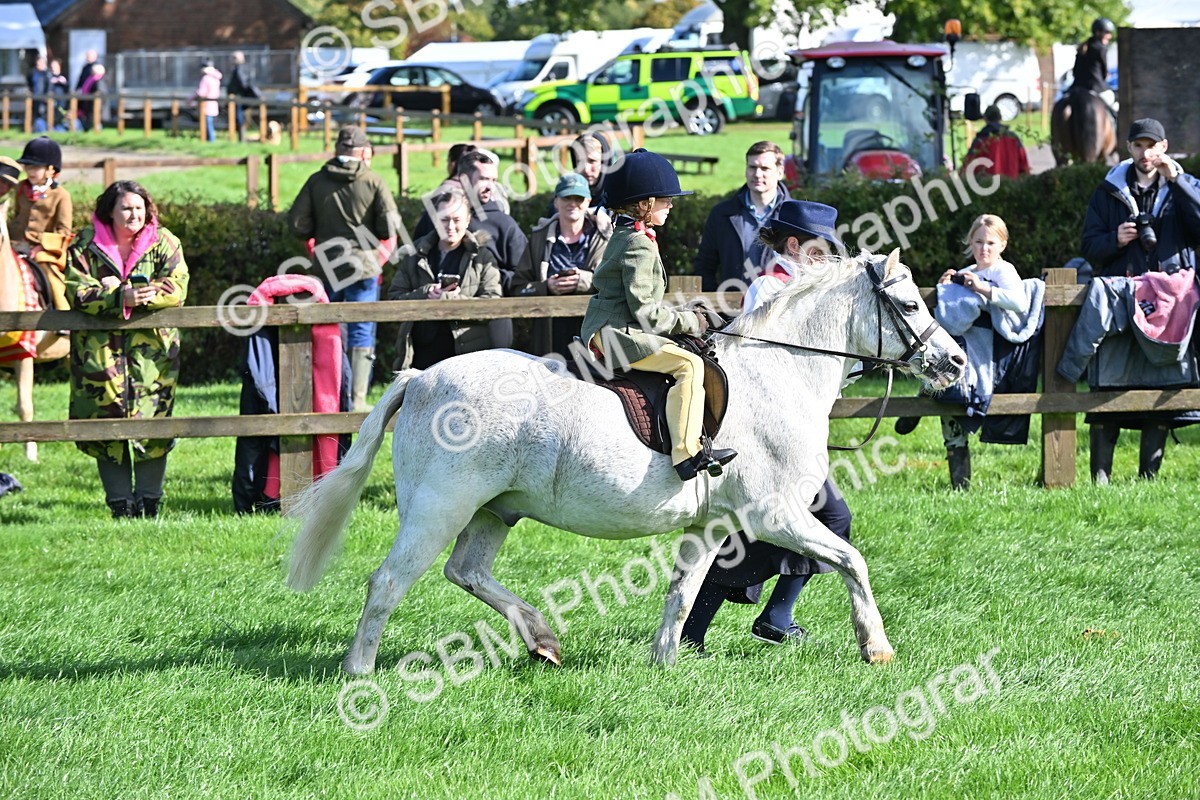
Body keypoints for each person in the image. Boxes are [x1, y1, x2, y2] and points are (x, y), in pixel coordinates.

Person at [682, 200, 851, 651]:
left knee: (759, 532)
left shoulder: (806, 294)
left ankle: (738, 623)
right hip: (762, 436)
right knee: (825, 517)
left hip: (787, 432)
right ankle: (765, 618)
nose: (827, 260)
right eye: (820, 250)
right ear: (794, 246)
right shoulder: (768, 290)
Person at [580, 149, 734, 481]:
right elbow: (647, 314)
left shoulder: (632, 236)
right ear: (644, 204)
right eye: (665, 200)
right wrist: (692, 321)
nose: (671, 205)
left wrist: (684, 313)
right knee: (689, 365)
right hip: (615, 334)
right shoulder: (638, 243)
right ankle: (687, 453)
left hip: (616, 326)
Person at [1079, 117, 1200, 481]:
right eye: (1138, 146)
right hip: (1120, 299)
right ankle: (1099, 480)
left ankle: (1148, 480)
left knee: (1160, 390)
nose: (1145, 153)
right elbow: (1088, 245)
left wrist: (1177, 180)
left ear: (1163, 147)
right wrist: (1114, 240)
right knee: (1107, 388)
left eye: (1152, 145)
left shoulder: (1184, 184)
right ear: (1127, 148)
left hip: (1168, 306)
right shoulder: (1108, 191)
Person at [63, 180, 189, 518]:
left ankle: (150, 504)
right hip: (98, 356)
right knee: (106, 427)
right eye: (125, 208)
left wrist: (140, 293)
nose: (134, 214)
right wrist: (119, 297)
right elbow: (75, 290)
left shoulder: (165, 242)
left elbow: (177, 286)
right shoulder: (84, 244)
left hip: (154, 357)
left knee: (154, 426)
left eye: (139, 207)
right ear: (110, 211)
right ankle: (120, 505)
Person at [897, 214, 1042, 489]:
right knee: (949, 393)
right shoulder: (967, 270)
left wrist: (982, 288)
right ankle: (959, 483)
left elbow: (1019, 301)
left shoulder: (1004, 270)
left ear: (1002, 244)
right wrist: (946, 287)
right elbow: (950, 309)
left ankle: (923, 396)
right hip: (962, 344)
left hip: (992, 350)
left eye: (990, 242)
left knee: (953, 389)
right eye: (978, 242)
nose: (983, 248)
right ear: (970, 243)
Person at [288, 125, 399, 410]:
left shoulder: (315, 181)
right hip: (364, 266)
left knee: (328, 325)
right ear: (363, 151)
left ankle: (330, 393)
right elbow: (388, 226)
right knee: (362, 328)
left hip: (328, 266)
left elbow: (297, 223)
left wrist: (319, 232)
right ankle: (359, 398)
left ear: (337, 150)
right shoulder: (374, 181)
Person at [387, 185, 502, 369]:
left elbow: (493, 304)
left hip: (468, 357)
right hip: (419, 357)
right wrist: (425, 294)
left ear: (467, 220)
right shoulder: (414, 255)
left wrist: (449, 300)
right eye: (444, 219)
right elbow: (393, 300)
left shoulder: (483, 257)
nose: (450, 226)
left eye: (456, 220)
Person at [512, 172, 613, 356]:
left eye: (578, 198)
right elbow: (518, 286)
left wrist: (583, 281)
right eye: (567, 197)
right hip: (549, 334)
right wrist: (546, 286)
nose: (572, 203)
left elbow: (616, 284)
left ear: (588, 201)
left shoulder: (606, 237)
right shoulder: (538, 238)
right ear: (556, 201)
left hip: (593, 333)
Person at [693, 141, 792, 292]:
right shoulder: (721, 214)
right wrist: (715, 307)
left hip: (780, 311)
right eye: (752, 167)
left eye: (765, 168)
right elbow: (704, 265)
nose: (757, 174)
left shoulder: (794, 218)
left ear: (780, 172)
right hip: (731, 311)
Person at [12, 137, 73, 264]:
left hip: (42, 249)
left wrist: (43, 247)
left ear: (50, 169)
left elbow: (64, 230)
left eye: (35, 167)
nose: (30, 171)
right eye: (27, 167)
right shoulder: (20, 187)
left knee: (51, 277)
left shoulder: (61, 195)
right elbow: (17, 215)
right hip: (14, 244)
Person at [963, 105, 1030, 180]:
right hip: (1011, 185)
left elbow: (968, 164)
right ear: (1000, 118)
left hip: (987, 185)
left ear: (985, 118)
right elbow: (1024, 164)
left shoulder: (980, 140)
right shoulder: (1013, 138)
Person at [1072, 18, 1116, 114]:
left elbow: (1074, 71)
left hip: (1076, 87)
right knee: (1113, 104)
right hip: (1095, 87)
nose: (1109, 36)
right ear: (1098, 33)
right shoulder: (1101, 49)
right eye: (1107, 33)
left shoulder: (1082, 47)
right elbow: (1104, 73)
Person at [225, 51, 263, 141]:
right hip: (240, 96)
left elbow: (242, 83)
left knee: (240, 118)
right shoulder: (243, 67)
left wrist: (236, 91)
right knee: (240, 117)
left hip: (239, 97)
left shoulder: (239, 69)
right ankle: (241, 138)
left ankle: (241, 139)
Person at [193, 59, 223, 142]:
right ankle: (211, 139)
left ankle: (210, 140)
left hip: (206, 105)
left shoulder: (205, 79)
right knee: (210, 123)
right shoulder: (216, 78)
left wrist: (191, 98)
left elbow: (201, 93)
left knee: (207, 124)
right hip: (214, 103)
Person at [27, 55, 50, 133]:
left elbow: (49, 86)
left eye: (41, 63)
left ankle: (44, 130)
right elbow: (30, 84)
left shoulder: (47, 73)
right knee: (34, 114)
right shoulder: (32, 72)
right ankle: (35, 130)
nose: (39, 64)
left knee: (43, 114)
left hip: (44, 98)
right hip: (35, 97)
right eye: (38, 62)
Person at [48, 59, 71, 130]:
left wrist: (64, 82)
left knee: (62, 117)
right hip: (52, 102)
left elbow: (68, 89)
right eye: (52, 66)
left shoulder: (64, 76)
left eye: (55, 66)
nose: (53, 68)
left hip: (62, 103)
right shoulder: (48, 76)